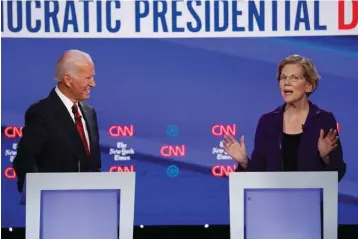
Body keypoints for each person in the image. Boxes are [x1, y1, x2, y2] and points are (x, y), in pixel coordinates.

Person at [222, 54, 346, 181]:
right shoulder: (267, 122)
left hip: (311, 198)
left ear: (309, 86)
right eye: (283, 78)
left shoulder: (323, 120)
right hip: (274, 199)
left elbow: (339, 172)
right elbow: (258, 174)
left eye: (294, 78)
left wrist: (325, 157)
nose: (287, 83)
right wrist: (244, 162)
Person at [13, 50, 101, 193]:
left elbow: (94, 165)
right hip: (54, 205)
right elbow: (25, 161)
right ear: (68, 79)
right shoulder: (41, 112)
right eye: (88, 78)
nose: (93, 83)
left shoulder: (89, 113)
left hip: (88, 203)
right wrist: (37, 194)